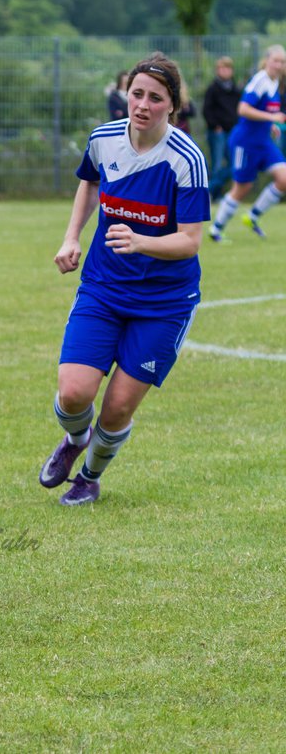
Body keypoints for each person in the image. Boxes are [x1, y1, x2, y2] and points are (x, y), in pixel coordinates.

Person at [40, 53, 208, 506]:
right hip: (104, 287)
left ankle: (90, 477)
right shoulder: (104, 139)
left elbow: (190, 241)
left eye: (156, 98)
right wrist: (71, 237)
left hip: (164, 302)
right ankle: (75, 440)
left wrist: (141, 241)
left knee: (116, 407)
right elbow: (90, 184)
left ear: (172, 106)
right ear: (126, 94)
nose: (143, 105)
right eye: (137, 94)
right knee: (74, 394)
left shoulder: (186, 159)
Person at [209, 44, 286, 241]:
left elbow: (265, 112)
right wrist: (272, 118)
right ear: (267, 60)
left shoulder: (274, 81)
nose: (279, 65)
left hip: (263, 142)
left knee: (283, 179)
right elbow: (243, 109)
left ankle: (252, 217)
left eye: (283, 62)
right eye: (276, 60)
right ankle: (216, 229)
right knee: (242, 188)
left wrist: (271, 125)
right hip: (245, 142)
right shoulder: (260, 80)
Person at [202, 56, 239, 202]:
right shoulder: (213, 89)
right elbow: (207, 110)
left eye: (227, 68)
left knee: (233, 165)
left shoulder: (236, 90)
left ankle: (209, 190)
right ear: (218, 70)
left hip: (232, 131)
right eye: (222, 68)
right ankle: (212, 195)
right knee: (217, 166)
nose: (225, 71)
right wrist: (214, 126)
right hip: (217, 132)